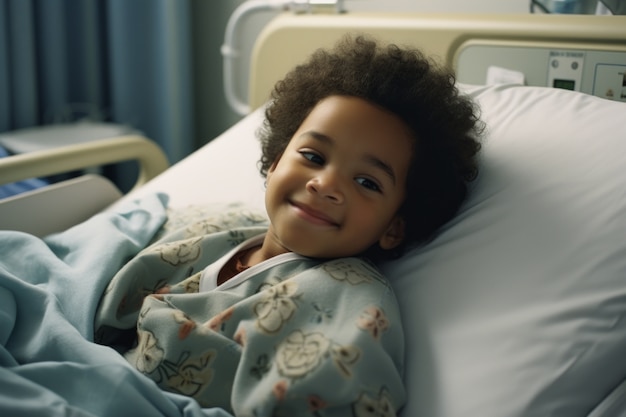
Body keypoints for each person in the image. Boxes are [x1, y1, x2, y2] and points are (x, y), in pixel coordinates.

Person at [95, 35, 482, 417]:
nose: (325, 184)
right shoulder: (217, 224)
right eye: (313, 156)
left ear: (395, 227)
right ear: (277, 161)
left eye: (367, 182)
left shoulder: (350, 300)